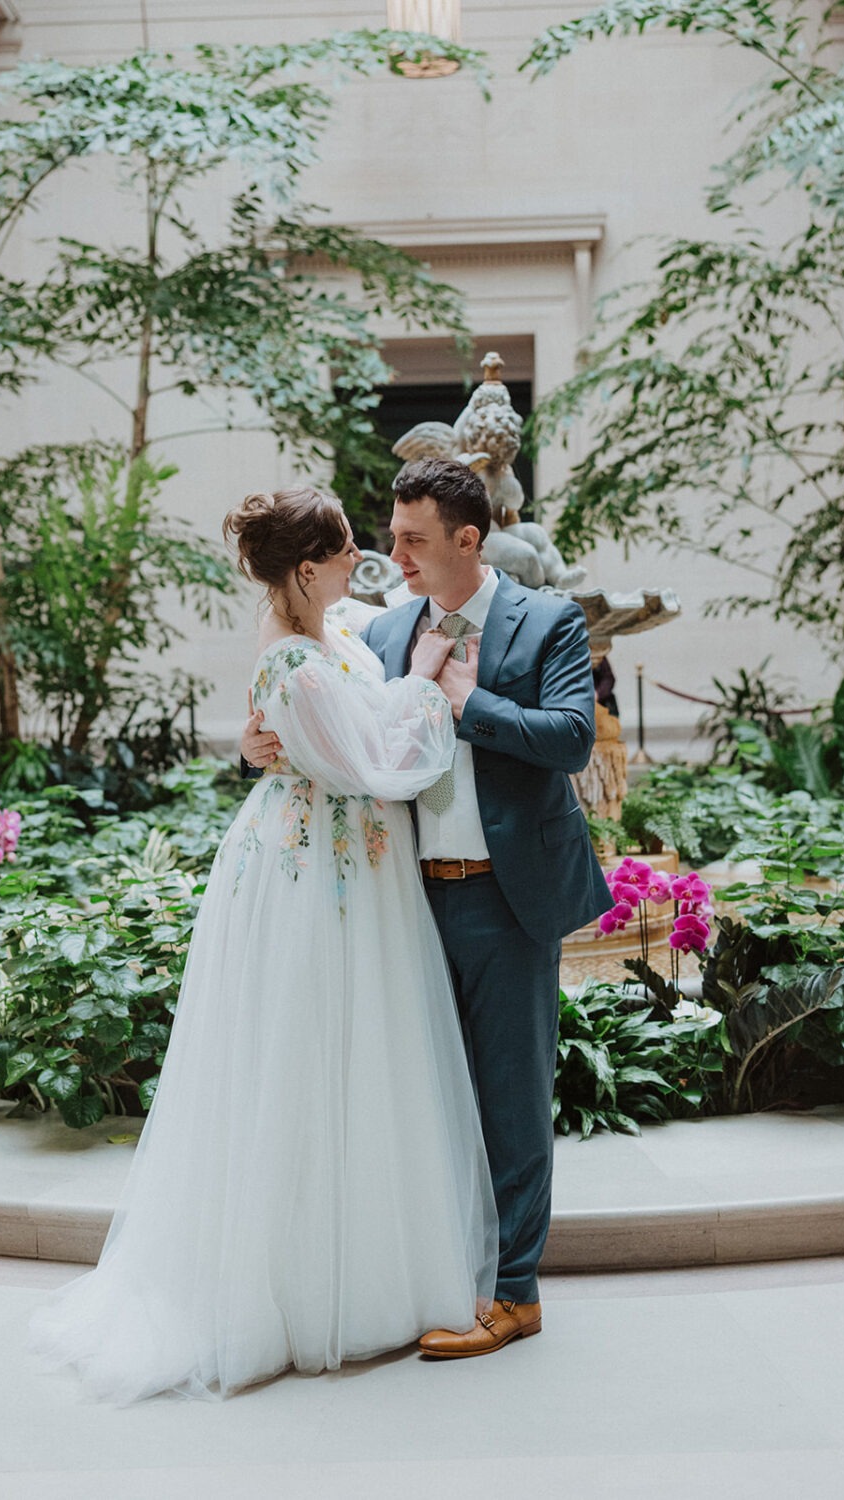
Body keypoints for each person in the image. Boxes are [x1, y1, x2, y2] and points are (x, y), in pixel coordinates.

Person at [30, 485, 498, 1402]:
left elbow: (376, 625)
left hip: (348, 869)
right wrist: (434, 688)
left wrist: (426, 629)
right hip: (311, 871)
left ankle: (362, 1268)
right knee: (304, 1057)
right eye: (348, 551)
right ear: (307, 569)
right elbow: (373, 768)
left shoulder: (331, 629)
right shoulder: (295, 663)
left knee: (362, 1061)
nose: (366, 561)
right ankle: (289, 1292)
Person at [243, 458, 612, 1358]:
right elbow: (313, 691)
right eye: (391, 534)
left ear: (467, 539)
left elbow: (570, 738)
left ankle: (515, 1295)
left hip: (505, 898)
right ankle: (446, 1274)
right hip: (401, 901)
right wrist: (256, 743)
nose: (390, 555)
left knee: (513, 1102)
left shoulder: (546, 619)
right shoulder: (385, 626)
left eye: (411, 539)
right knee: (426, 1097)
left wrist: (466, 700)